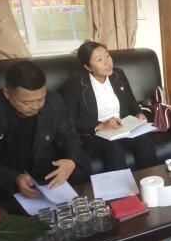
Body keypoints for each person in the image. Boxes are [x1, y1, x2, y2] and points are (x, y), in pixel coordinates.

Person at [0, 61, 91, 205]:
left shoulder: (54, 101)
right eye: (27, 103)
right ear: (7, 93)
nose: (35, 107)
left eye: (40, 99)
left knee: (81, 166)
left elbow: (70, 138)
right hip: (6, 171)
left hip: (44, 166)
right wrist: (14, 178)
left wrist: (71, 161)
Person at [61, 41, 158, 172]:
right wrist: (100, 125)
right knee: (114, 147)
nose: (107, 62)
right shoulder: (74, 85)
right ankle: (120, 186)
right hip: (95, 133)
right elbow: (70, 120)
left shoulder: (118, 74)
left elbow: (131, 102)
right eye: (99, 59)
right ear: (88, 67)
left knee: (144, 139)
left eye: (107, 56)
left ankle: (152, 180)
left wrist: (138, 113)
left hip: (122, 127)